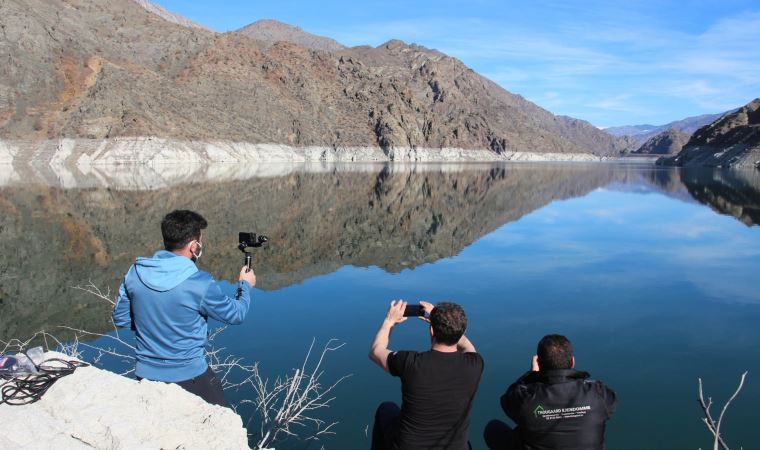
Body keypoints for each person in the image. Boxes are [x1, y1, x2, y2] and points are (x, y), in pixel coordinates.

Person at [112, 210, 256, 407]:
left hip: (145, 375)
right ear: (193, 245)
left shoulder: (134, 273)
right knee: (222, 423)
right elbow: (236, 314)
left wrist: (156, 325)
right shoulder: (199, 283)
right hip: (191, 376)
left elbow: (121, 318)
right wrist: (245, 285)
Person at [369, 300, 484, 450]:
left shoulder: (411, 363)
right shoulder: (475, 364)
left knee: (386, 408)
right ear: (461, 331)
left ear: (432, 332)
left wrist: (389, 321)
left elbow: (376, 351)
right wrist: (443, 322)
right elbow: (468, 346)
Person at [484, 334, 617, 450]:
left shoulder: (527, 399)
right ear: (572, 362)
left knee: (493, 428)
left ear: (539, 364)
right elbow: (612, 403)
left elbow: (507, 400)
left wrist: (531, 375)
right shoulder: (598, 393)